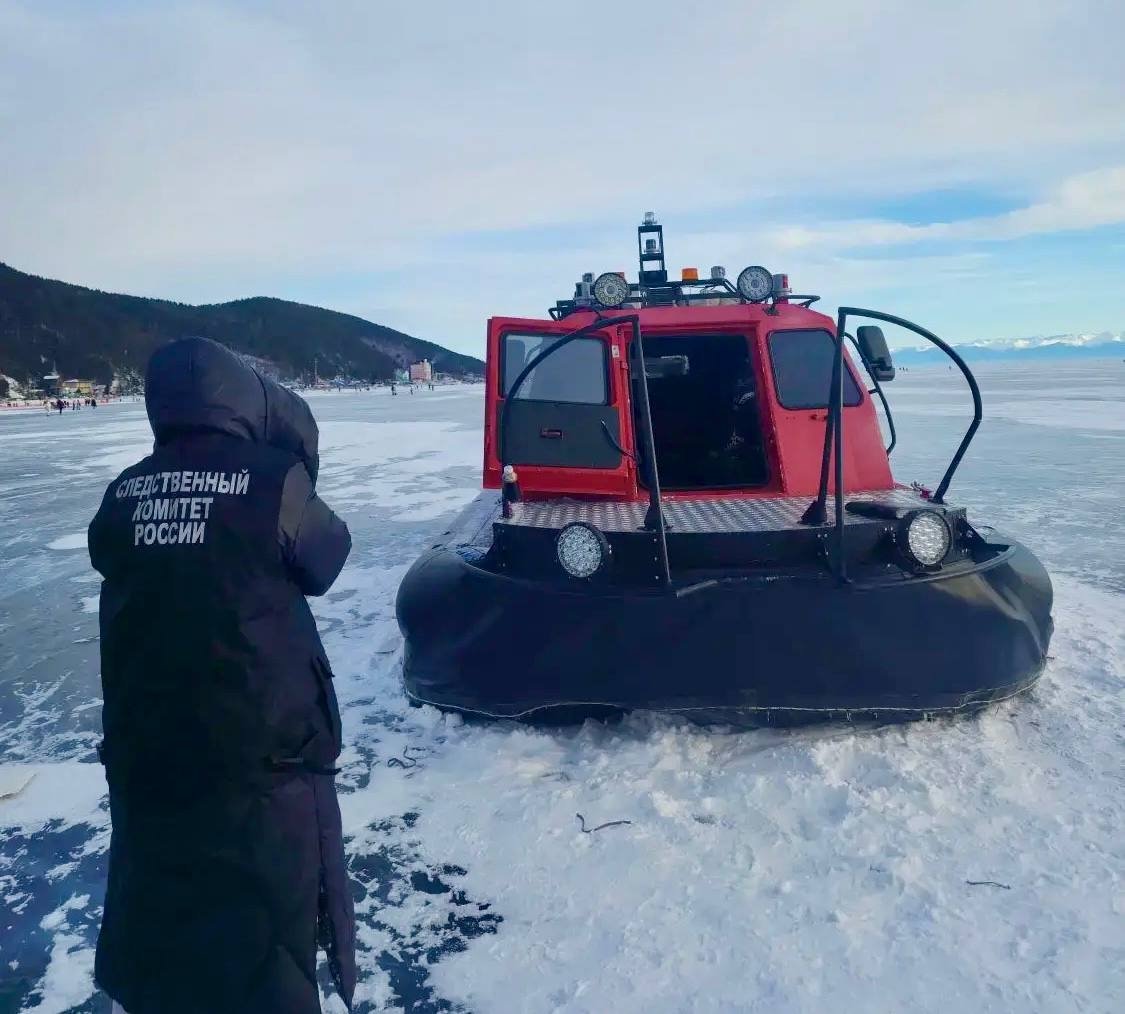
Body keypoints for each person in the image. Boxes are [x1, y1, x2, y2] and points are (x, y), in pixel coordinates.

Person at [88, 337, 356, 1014]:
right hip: (263, 747)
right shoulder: (274, 481)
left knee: (167, 903)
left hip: (151, 741)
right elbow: (327, 558)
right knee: (269, 924)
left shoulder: (124, 491)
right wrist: (296, 457)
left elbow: (107, 552)